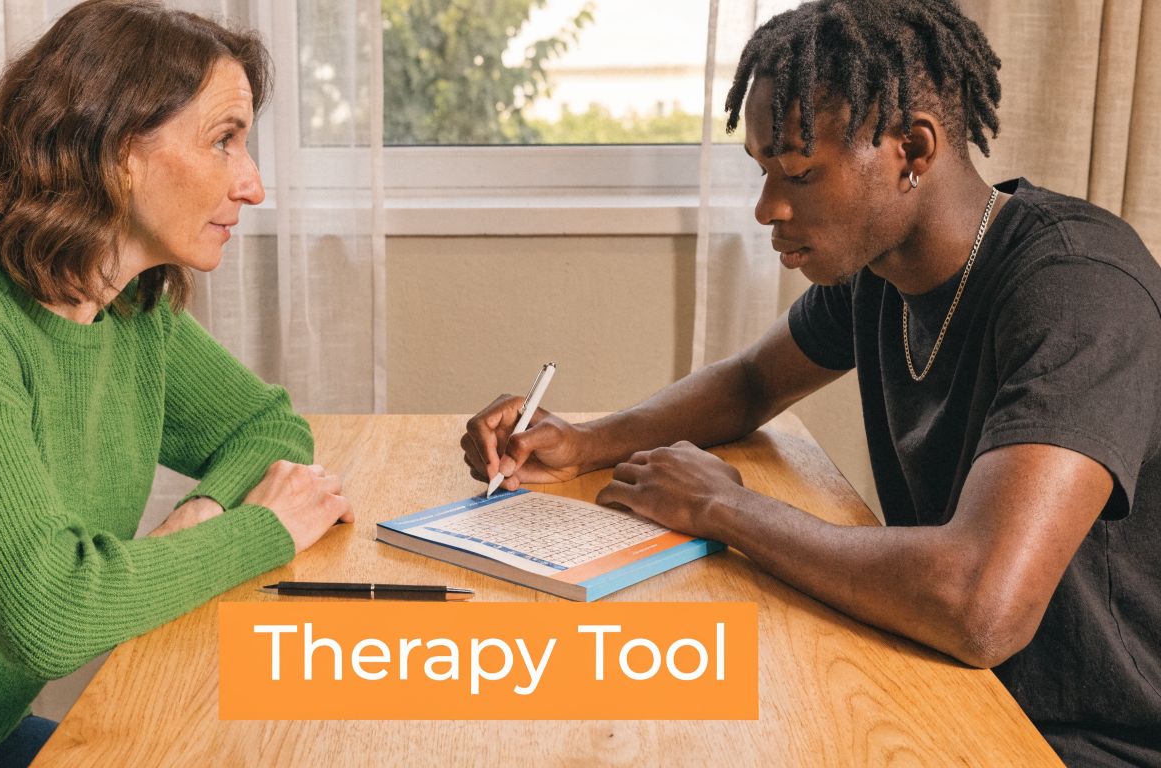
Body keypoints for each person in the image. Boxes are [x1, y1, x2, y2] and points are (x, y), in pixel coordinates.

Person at [461, 1, 1159, 765]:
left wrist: (727, 507)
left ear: (912, 149)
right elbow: (755, 381)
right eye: (763, 171)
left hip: (1090, 736)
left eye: (798, 172)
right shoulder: (880, 272)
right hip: (948, 680)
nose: (769, 209)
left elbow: (980, 603)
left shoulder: (1078, 289)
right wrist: (586, 441)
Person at [0, 2, 353, 766]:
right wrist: (260, 529)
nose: (253, 187)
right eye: (224, 142)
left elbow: (267, 428)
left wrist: (198, 514)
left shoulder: (128, 311)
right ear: (116, 149)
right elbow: (52, 612)